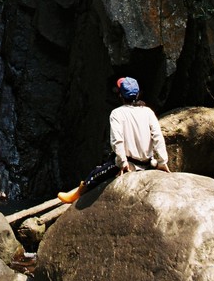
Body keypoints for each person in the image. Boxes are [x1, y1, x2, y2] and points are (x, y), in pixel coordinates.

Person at [58, 76, 170, 204]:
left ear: (120, 95)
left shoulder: (117, 113)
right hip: (149, 163)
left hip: (129, 163)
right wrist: (162, 162)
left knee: (96, 174)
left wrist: (123, 163)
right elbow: (158, 137)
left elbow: (117, 141)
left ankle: (78, 194)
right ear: (138, 94)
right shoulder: (148, 112)